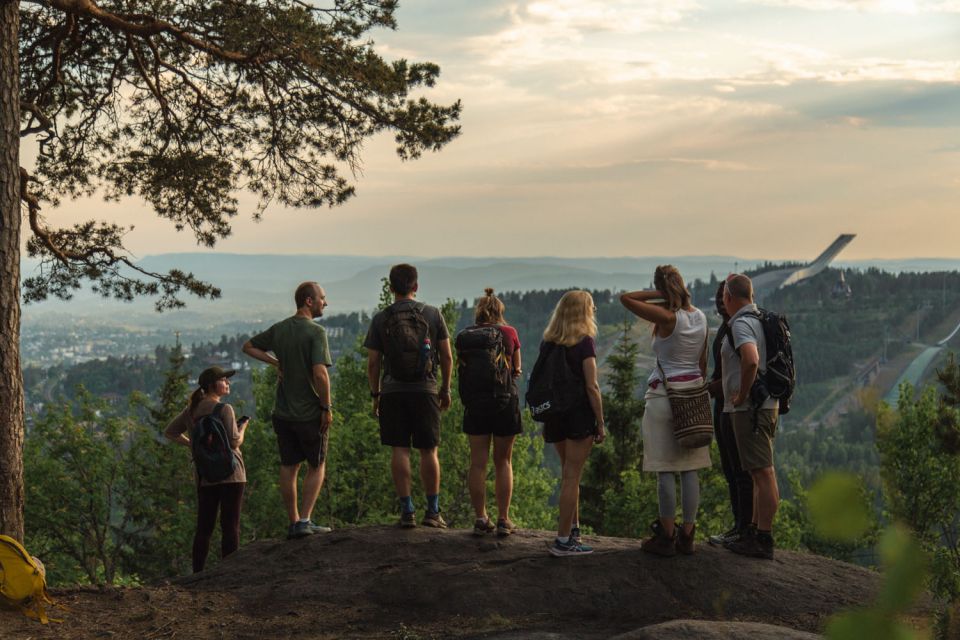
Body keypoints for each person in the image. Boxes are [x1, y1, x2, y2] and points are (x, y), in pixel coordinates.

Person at [621, 265, 711, 556]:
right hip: (693, 397)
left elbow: (627, 299)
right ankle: (688, 535)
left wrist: (658, 294)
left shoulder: (667, 317)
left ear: (661, 288)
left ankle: (667, 536)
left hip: (663, 396)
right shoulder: (700, 317)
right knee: (690, 469)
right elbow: (702, 364)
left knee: (665, 469)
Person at [243, 282, 334, 540]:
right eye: (322, 299)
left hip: (282, 413)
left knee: (289, 466)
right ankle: (305, 520)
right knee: (317, 464)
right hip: (308, 414)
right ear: (308, 301)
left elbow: (248, 346)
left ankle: (294, 521)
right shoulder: (316, 332)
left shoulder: (280, 329)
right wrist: (326, 407)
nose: (325, 303)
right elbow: (320, 374)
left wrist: (276, 362)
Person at [365, 264, 453, 528]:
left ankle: (407, 512)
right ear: (416, 286)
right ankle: (433, 512)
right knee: (429, 451)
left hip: (392, 391)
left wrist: (375, 394)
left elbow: (373, 362)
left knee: (400, 449)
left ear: (391, 288)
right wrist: (445, 389)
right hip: (426, 390)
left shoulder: (381, 318)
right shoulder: (433, 314)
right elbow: (447, 356)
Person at [536, 290, 606, 557]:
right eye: (592, 306)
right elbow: (592, 386)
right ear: (583, 311)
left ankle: (573, 531)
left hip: (554, 417)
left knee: (568, 474)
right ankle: (563, 540)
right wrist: (600, 421)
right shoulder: (584, 342)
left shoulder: (548, 342)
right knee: (572, 477)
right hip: (578, 416)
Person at [165, 366, 249, 572]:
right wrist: (244, 427)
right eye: (224, 380)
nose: (228, 383)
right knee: (230, 526)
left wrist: (193, 445)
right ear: (212, 385)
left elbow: (170, 432)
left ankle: (198, 571)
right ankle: (229, 572)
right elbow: (234, 442)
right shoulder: (224, 409)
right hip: (232, 474)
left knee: (204, 527)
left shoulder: (191, 410)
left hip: (205, 476)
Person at [720, 273, 780, 560]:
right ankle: (755, 532)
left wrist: (742, 394)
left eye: (723, 297)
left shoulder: (742, 324)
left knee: (763, 472)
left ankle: (764, 538)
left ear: (729, 297)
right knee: (758, 472)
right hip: (766, 405)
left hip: (751, 409)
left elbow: (751, 359)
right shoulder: (759, 318)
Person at [457, 288, 523, 537]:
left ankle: (480, 518)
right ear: (500, 312)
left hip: (475, 404)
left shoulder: (465, 336)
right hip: (505, 402)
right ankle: (504, 519)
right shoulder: (509, 332)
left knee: (478, 463)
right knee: (504, 461)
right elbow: (516, 368)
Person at [706, 281, 754, 547]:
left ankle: (744, 527)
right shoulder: (727, 327)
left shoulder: (738, 327)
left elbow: (748, 364)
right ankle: (739, 525)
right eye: (717, 296)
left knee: (739, 470)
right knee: (730, 468)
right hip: (724, 406)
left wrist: (717, 388)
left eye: (722, 296)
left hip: (733, 406)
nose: (718, 300)